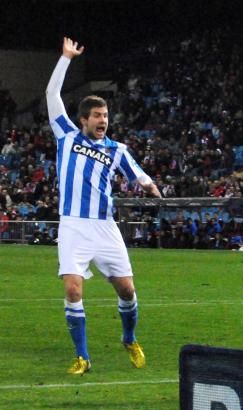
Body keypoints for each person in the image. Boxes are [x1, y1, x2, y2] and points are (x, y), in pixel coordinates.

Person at [46, 38, 159, 374]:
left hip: (104, 226)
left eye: (105, 115)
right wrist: (66, 59)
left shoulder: (117, 149)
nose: (103, 120)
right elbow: (52, 96)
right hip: (73, 225)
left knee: (126, 289)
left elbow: (138, 174)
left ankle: (129, 338)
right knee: (72, 287)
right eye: (96, 115)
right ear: (83, 119)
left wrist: (150, 185)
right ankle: (82, 356)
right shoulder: (66, 135)